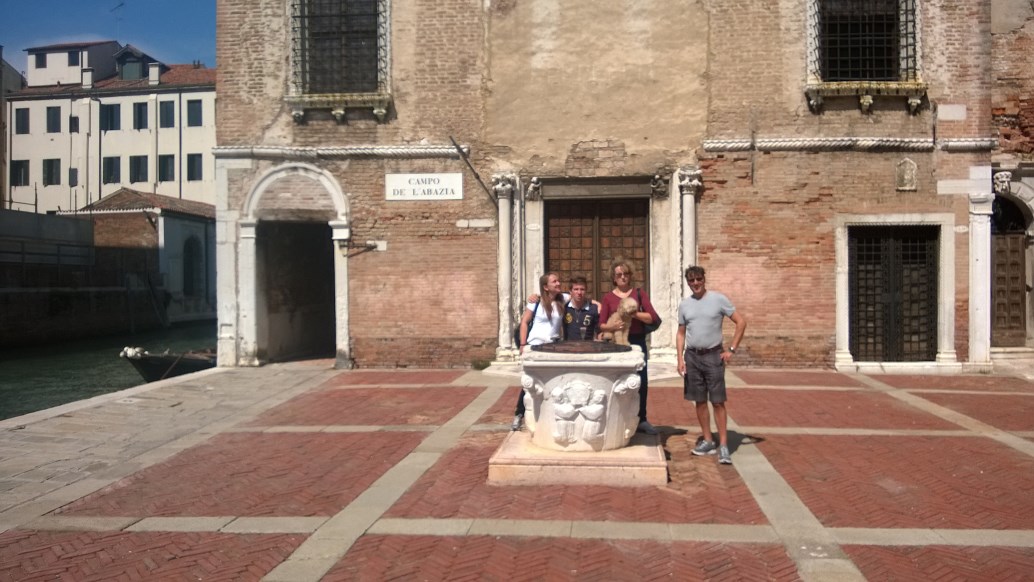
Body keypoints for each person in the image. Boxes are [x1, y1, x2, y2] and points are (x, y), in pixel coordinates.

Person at [676, 265, 746, 465]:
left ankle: (723, 445)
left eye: (699, 279)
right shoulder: (685, 305)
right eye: (691, 280)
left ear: (704, 279)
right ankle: (708, 440)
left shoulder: (718, 299)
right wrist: (679, 359)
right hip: (692, 357)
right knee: (699, 400)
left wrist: (731, 349)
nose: (695, 283)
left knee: (717, 401)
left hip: (714, 356)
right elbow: (681, 333)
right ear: (688, 282)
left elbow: (741, 322)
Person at [598, 258, 661, 435]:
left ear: (630, 275)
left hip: (636, 341)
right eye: (619, 274)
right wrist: (611, 327)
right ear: (614, 278)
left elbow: (652, 317)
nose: (623, 277)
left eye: (626, 274)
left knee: (641, 381)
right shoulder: (608, 298)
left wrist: (633, 314)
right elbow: (601, 325)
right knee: (617, 381)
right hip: (616, 344)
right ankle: (617, 418)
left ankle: (642, 419)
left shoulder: (639, 294)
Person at [512, 272, 565, 431]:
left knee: (552, 381)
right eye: (554, 281)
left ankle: (548, 416)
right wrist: (523, 344)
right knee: (530, 382)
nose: (558, 283)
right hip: (535, 346)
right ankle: (519, 414)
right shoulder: (536, 302)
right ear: (545, 287)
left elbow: (584, 300)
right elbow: (524, 322)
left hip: (553, 347)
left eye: (558, 281)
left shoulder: (563, 300)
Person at [562, 276, 599, 341]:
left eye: (582, 289)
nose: (579, 293)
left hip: (588, 346)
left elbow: (598, 331)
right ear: (570, 291)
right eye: (576, 289)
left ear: (586, 291)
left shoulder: (593, 309)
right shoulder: (564, 309)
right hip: (569, 346)